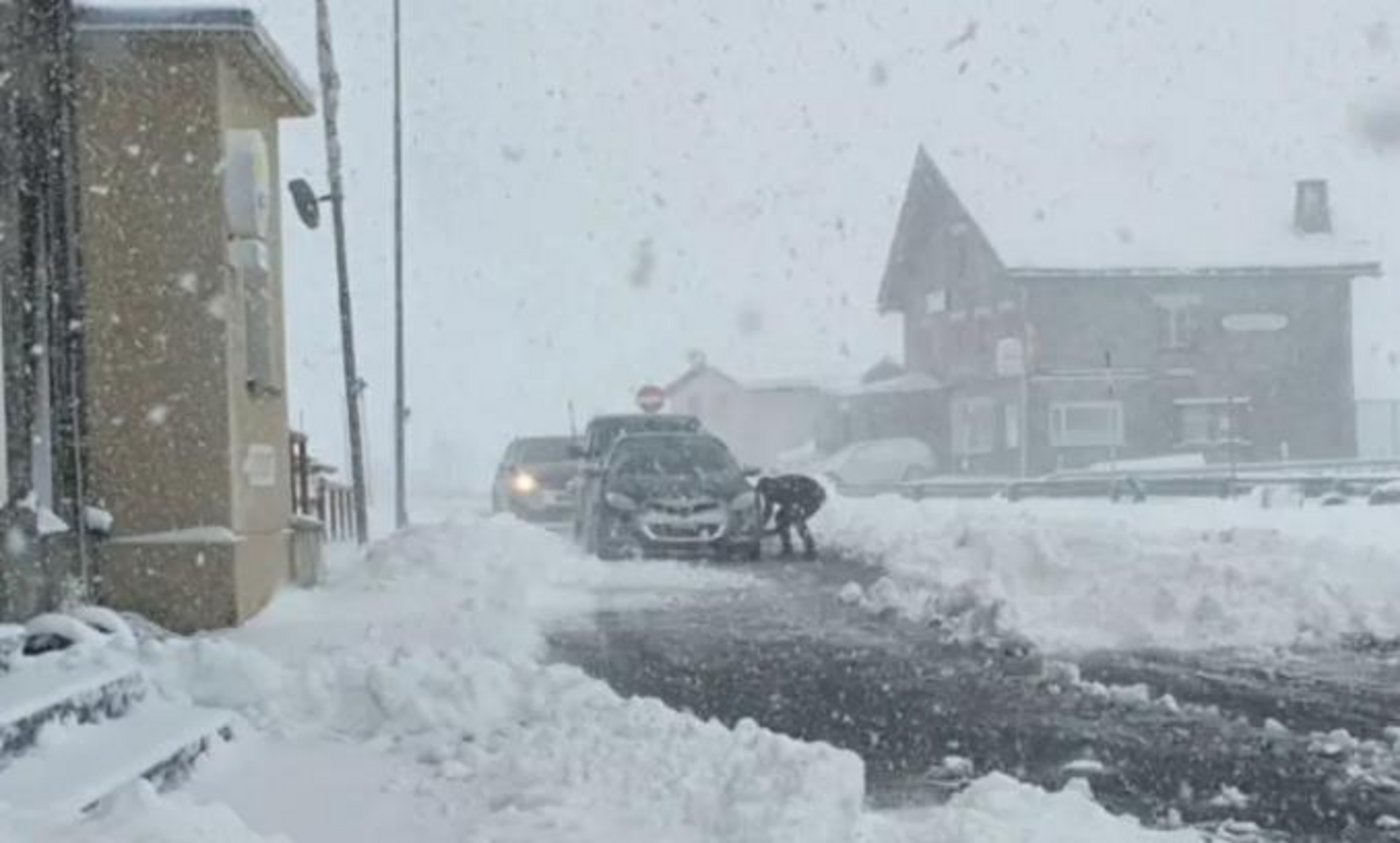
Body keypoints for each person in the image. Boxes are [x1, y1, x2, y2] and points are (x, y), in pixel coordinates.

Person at [755, 474, 826, 559]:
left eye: (767, 492)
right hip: (799, 498)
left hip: (814, 495)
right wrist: (759, 527)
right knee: (780, 517)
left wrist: (774, 531)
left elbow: (791, 514)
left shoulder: (784, 489)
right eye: (763, 493)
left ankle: (811, 549)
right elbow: (768, 512)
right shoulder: (768, 491)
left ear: (773, 487)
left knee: (797, 520)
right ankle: (787, 548)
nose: (766, 495)